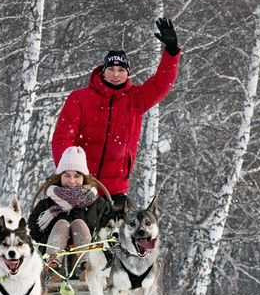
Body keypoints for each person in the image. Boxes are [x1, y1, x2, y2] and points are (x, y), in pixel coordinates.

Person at [52, 17, 182, 210]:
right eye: (111, 69)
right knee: (75, 236)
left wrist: (171, 53)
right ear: (103, 71)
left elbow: (161, 85)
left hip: (116, 190)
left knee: (119, 237)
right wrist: (71, 175)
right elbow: (63, 138)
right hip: (80, 186)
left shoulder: (135, 99)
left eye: (121, 70)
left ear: (127, 73)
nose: (115, 74)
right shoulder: (80, 98)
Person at [28, 146, 110, 280]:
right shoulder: (46, 205)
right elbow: (33, 233)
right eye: (67, 175)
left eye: (77, 176)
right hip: (50, 252)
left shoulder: (97, 204)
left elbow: (108, 232)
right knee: (61, 224)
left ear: (84, 178)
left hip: (91, 254)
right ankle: (53, 266)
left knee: (79, 224)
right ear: (60, 177)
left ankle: (87, 266)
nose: (72, 181)